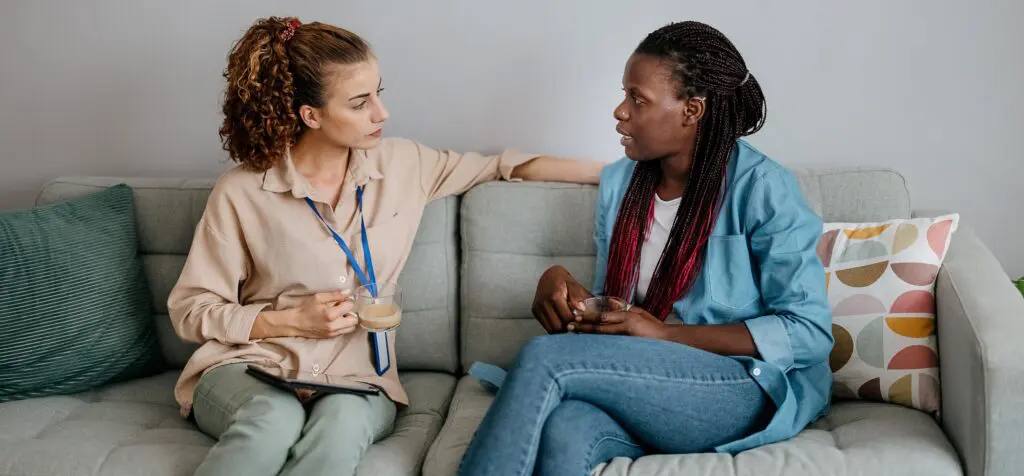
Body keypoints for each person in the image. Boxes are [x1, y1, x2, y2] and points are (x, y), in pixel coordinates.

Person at [167, 16, 603, 476]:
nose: (382, 113)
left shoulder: (403, 164)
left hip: (359, 376)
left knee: (339, 431)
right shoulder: (242, 191)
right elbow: (190, 309)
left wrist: (623, 174)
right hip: (253, 367)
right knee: (272, 419)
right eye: (360, 102)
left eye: (379, 93)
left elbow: (504, 165)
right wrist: (286, 320)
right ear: (309, 114)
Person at [457, 20, 833, 476]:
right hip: (648, 381)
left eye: (638, 99)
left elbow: (808, 333)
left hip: (736, 383)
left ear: (692, 110)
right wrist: (560, 282)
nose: (620, 111)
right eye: (625, 94)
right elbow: (616, 305)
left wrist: (664, 334)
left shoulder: (762, 188)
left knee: (544, 357)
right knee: (566, 428)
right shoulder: (621, 184)